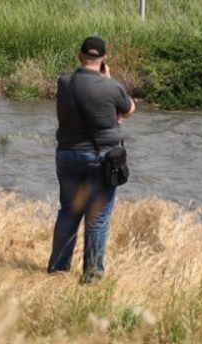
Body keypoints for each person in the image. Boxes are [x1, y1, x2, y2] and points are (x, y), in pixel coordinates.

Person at [47, 36, 135, 283]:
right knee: (96, 219)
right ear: (104, 59)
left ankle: (57, 270)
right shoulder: (111, 86)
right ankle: (92, 277)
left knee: (68, 213)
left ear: (79, 56)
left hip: (67, 155)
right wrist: (107, 79)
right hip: (101, 158)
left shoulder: (63, 82)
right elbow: (128, 110)